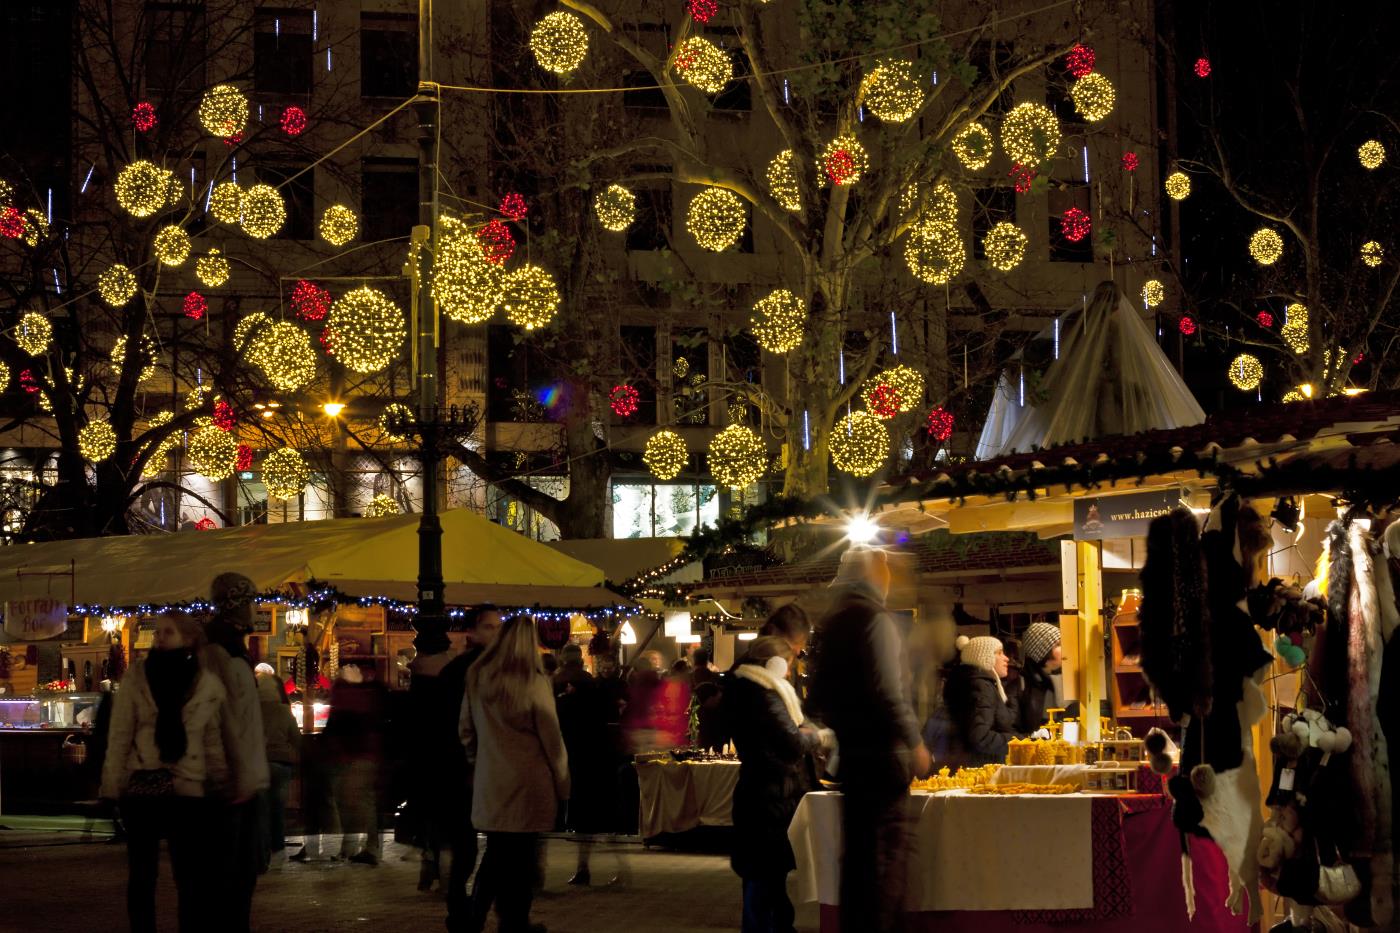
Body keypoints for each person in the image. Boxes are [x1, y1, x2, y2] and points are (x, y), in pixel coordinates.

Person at [807, 547, 928, 933]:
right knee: (883, 862)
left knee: (858, 860)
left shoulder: (835, 621)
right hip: (883, 757)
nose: (891, 578)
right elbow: (889, 692)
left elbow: (818, 693)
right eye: (887, 571)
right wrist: (914, 741)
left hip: (855, 759)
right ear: (877, 576)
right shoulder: (875, 620)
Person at [100, 612, 229, 933]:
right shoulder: (137, 677)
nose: (158, 638)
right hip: (143, 782)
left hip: (187, 786)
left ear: (187, 639)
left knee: (188, 876)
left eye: (166, 632)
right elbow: (120, 735)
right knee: (143, 875)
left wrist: (220, 778)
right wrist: (111, 785)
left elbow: (211, 737)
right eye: (157, 632)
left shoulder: (205, 683)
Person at [460, 615, 569, 933]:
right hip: (527, 780)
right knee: (520, 857)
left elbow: (465, 730)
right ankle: (513, 920)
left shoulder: (478, 676)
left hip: (492, 778)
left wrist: (478, 761)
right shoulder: (533, 681)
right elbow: (552, 740)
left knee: (495, 852)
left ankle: (478, 915)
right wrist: (563, 782)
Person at [724, 636, 831, 933]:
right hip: (771, 795)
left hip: (762, 791)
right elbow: (792, 742)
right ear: (776, 663)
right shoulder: (765, 694)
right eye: (790, 663)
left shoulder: (744, 689)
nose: (790, 672)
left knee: (765, 873)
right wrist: (815, 735)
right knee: (765, 872)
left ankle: (777, 926)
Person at [203, 572, 271, 933]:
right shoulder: (221, 652)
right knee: (233, 877)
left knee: (241, 876)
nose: (256, 609)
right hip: (232, 784)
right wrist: (236, 775)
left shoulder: (231, 649)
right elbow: (227, 720)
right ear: (237, 606)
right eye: (250, 602)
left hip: (242, 779)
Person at [427, 605, 501, 930]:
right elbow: (453, 725)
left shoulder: (475, 668)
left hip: (474, 767)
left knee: (472, 845)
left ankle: (464, 909)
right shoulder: (468, 671)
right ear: (471, 631)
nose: (495, 634)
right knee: (475, 844)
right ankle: (464, 909)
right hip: (466, 769)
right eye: (489, 627)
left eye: (499, 627)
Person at [325, 662, 387, 864]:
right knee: (361, 803)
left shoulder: (349, 693)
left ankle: (356, 848)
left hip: (354, 755)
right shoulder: (368, 693)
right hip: (363, 754)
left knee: (352, 803)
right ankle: (365, 848)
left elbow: (339, 724)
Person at [928, 635, 1019, 771]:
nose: (1006, 658)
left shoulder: (974, 683)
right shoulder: (981, 687)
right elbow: (981, 737)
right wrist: (1018, 741)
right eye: (999, 653)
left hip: (973, 765)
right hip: (981, 768)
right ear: (984, 658)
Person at [254, 663, 299, 871]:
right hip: (281, 764)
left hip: (259, 764)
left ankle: (262, 855)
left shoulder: (252, 710)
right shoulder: (283, 710)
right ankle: (278, 849)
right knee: (278, 809)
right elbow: (296, 738)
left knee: (261, 811)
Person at [1016, 622, 1063, 734]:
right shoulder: (1022, 684)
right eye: (1058, 645)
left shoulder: (1066, 680)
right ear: (1044, 652)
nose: (1064, 648)